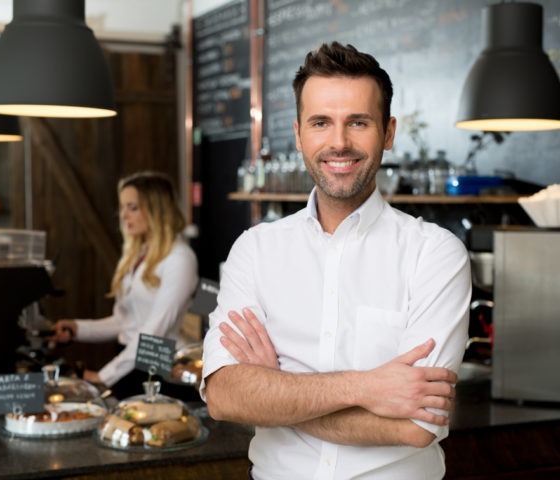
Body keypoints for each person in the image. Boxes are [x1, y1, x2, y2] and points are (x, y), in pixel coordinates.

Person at [201, 42, 471, 479]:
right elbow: (225, 397)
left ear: (387, 132)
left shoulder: (435, 254)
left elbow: (416, 425)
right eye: (321, 122)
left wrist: (276, 394)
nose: (339, 142)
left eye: (358, 122)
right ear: (299, 134)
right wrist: (366, 387)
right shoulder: (255, 249)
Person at [51, 171, 198, 400]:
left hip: (160, 369)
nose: (123, 215)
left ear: (157, 209)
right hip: (130, 361)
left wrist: (105, 376)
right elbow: (124, 321)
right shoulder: (138, 253)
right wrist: (77, 329)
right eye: (122, 207)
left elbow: (154, 333)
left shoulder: (180, 259)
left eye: (133, 207)